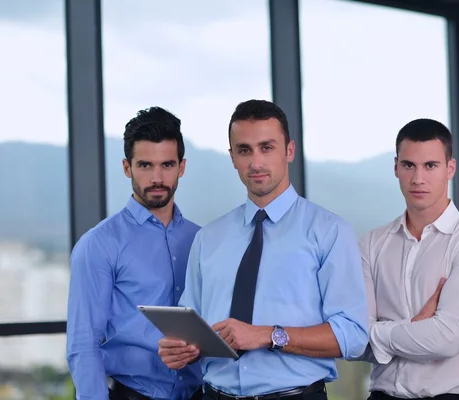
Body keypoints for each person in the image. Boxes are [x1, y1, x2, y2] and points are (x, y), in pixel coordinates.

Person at [157, 99, 369, 400]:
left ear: (289, 151)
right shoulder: (209, 238)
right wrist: (180, 348)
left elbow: (352, 335)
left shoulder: (330, 232)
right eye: (244, 150)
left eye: (266, 147)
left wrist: (269, 335)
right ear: (232, 157)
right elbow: (193, 325)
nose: (255, 163)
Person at [359, 118, 459, 400]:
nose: (418, 179)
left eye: (430, 166)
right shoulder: (371, 244)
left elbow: (446, 340)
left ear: (450, 168)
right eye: (408, 165)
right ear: (396, 168)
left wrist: (378, 333)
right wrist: (415, 326)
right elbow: (353, 341)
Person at [66, 107, 203, 400]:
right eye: (145, 166)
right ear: (127, 168)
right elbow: (82, 344)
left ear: (182, 167)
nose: (156, 178)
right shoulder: (98, 244)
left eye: (167, 165)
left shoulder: (201, 240)